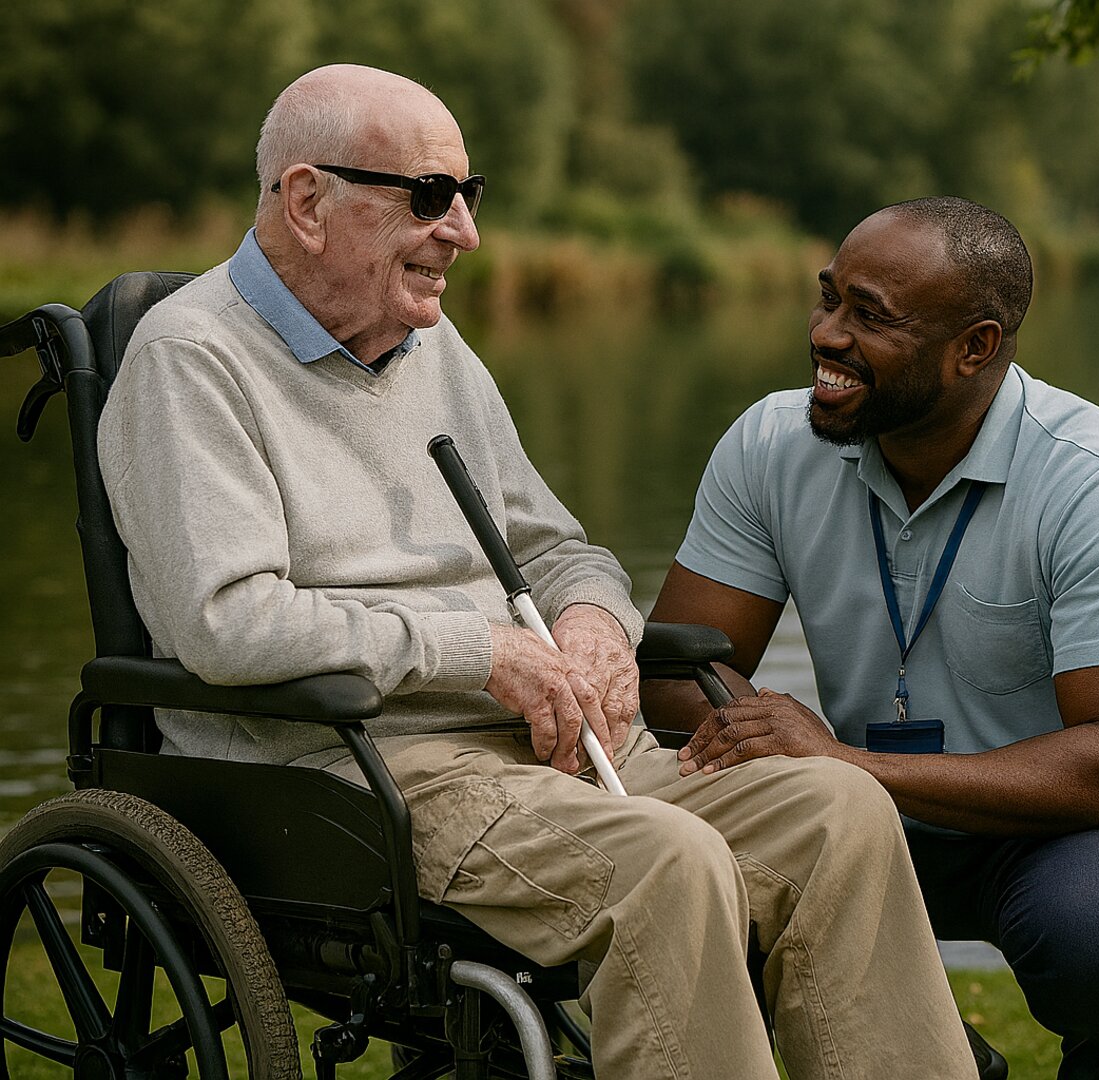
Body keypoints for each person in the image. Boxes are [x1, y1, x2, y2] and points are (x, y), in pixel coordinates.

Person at [97, 65, 976, 1080]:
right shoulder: (191, 361)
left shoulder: (430, 347)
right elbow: (229, 624)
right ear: (306, 202)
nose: (464, 233)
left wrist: (597, 623)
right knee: (672, 869)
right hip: (356, 775)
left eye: (472, 197)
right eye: (429, 197)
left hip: (547, 752)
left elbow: (558, 549)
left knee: (839, 809)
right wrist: (485, 656)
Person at [645, 196, 1099, 1079]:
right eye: (829, 297)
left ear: (975, 349)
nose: (827, 335)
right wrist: (763, 731)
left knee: (1094, 937)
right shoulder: (770, 444)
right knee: (699, 890)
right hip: (861, 812)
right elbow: (675, 670)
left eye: (870, 316)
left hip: (1072, 822)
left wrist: (844, 763)